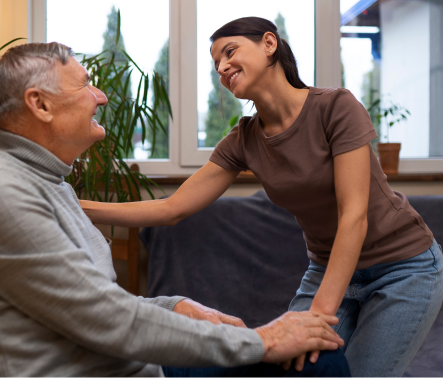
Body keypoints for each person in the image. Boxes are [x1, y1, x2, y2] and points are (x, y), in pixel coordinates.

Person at [0, 42, 349, 377]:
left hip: (127, 364)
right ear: (40, 105)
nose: (102, 96)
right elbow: (105, 320)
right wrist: (264, 341)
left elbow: (92, 306)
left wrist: (174, 305)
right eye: (86, 85)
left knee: (315, 356)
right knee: (317, 362)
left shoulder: (47, 185)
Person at [80, 17, 443, 377]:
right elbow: (172, 207)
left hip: (403, 268)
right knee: (287, 368)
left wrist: (315, 318)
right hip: (328, 268)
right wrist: (74, 205)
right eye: (216, 63)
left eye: (229, 51)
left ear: (269, 44)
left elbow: (354, 217)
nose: (222, 67)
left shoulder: (335, 108)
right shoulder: (243, 140)